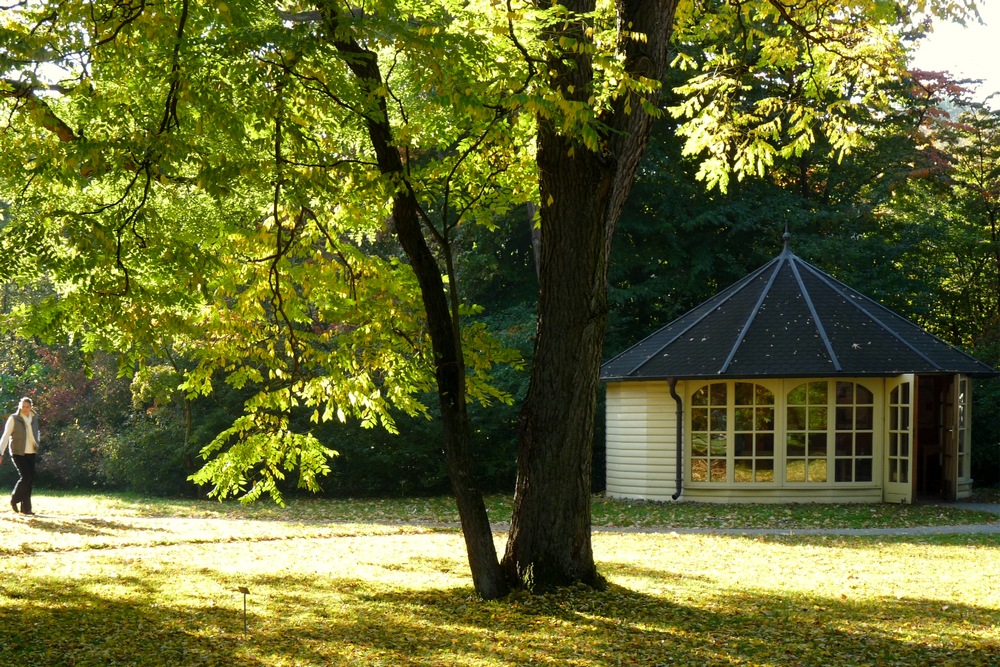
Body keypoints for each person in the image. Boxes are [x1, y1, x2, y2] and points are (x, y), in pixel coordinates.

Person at [0, 397, 41, 515]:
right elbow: (5, 436)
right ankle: (14, 499)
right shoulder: (14, 419)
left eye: (27, 407)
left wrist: (37, 442)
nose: (25, 409)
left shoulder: (34, 417)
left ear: (31, 407)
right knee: (26, 477)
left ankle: (26, 509)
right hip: (18, 452)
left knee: (30, 479)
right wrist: (0, 453)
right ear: (19, 407)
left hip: (31, 451)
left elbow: (37, 432)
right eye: (23, 406)